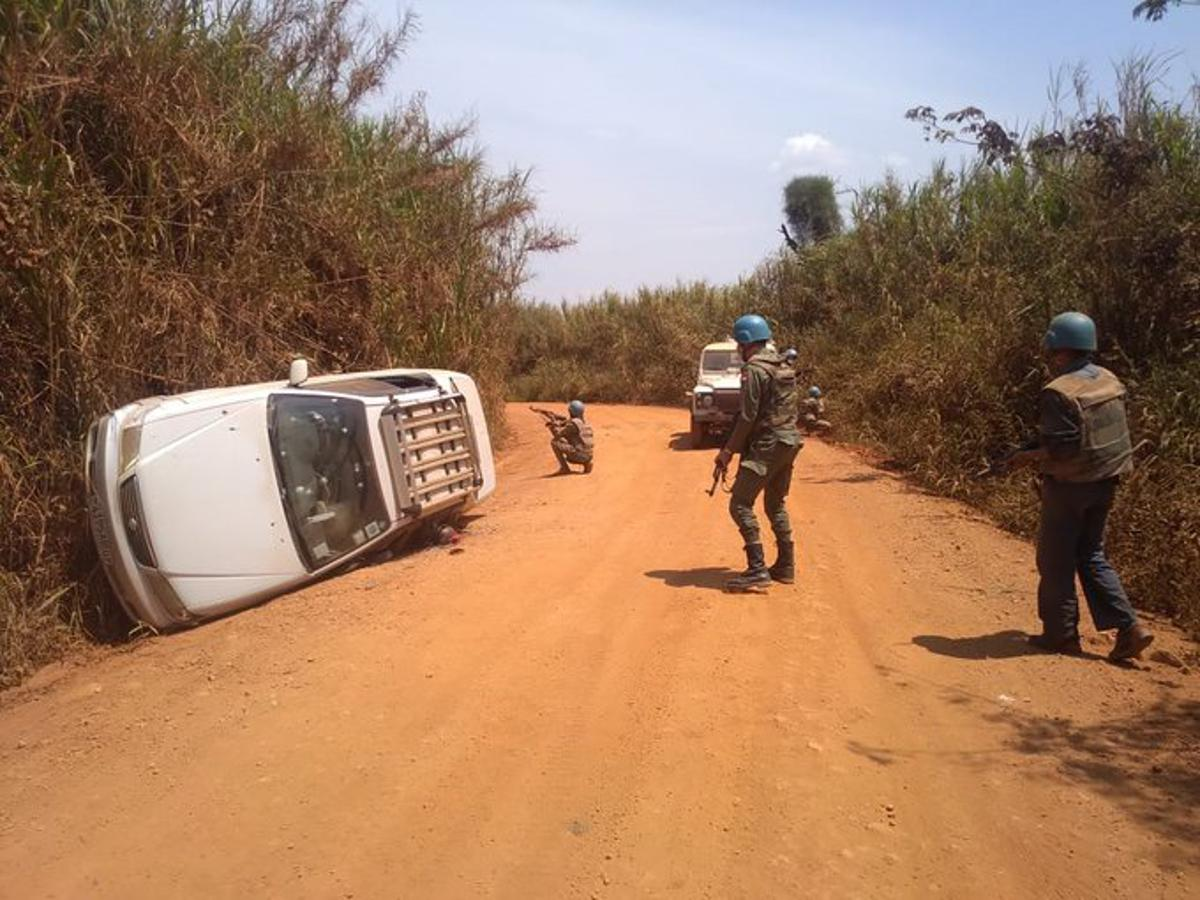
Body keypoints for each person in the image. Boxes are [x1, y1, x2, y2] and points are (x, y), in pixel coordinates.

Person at [1005, 311, 1153, 661]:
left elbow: (1062, 448)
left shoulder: (1058, 391)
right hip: (1106, 482)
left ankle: (1060, 635)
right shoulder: (1107, 379)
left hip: (1070, 487)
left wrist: (1024, 458)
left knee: (1055, 560)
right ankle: (1130, 627)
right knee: (1092, 555)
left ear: (1057, 349)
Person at [713, 314, 802, 591]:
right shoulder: (781, 365)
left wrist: (728, 452)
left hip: (767, 444)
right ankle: (786, 566)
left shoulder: (754, 370)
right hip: (788, 441)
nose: (739, 350)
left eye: (739, 344)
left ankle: (757, 569)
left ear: (745, 342)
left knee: (739, 504)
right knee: (775, 504)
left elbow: (748, 417)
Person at [550, 400, 594, 475]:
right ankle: (587, 463)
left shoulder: (572, 425)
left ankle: (564, 468)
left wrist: (553, 424)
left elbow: (558, 435)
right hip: (589, 456)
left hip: (579, 455)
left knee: (554, 442)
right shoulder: (584, 423)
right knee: (577, 443)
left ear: (570, 411)